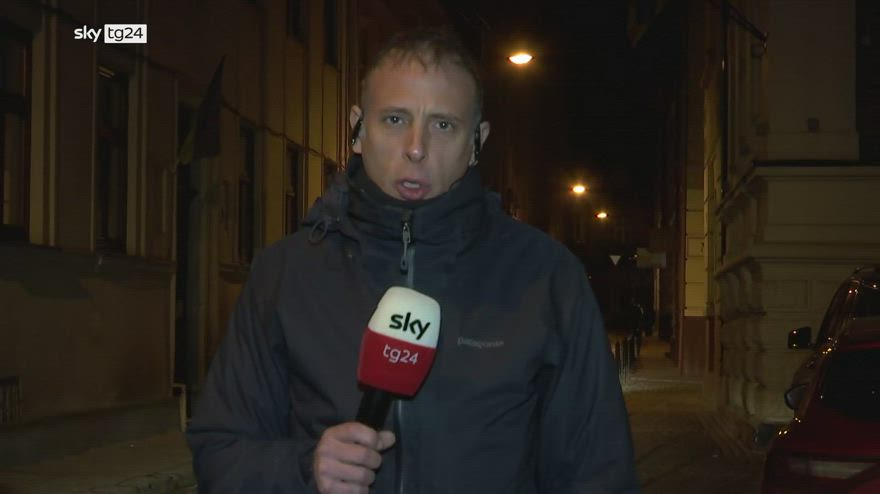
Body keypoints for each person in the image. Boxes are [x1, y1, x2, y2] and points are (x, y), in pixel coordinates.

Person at [187, 27, 640, 493]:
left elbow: (599, 473)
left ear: (477, 142)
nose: (416, 147)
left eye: (443, 125)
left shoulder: (547, 278)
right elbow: (220, 452)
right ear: (358, 129)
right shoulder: (285, 274)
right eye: (394, 119)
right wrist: (305, 469)